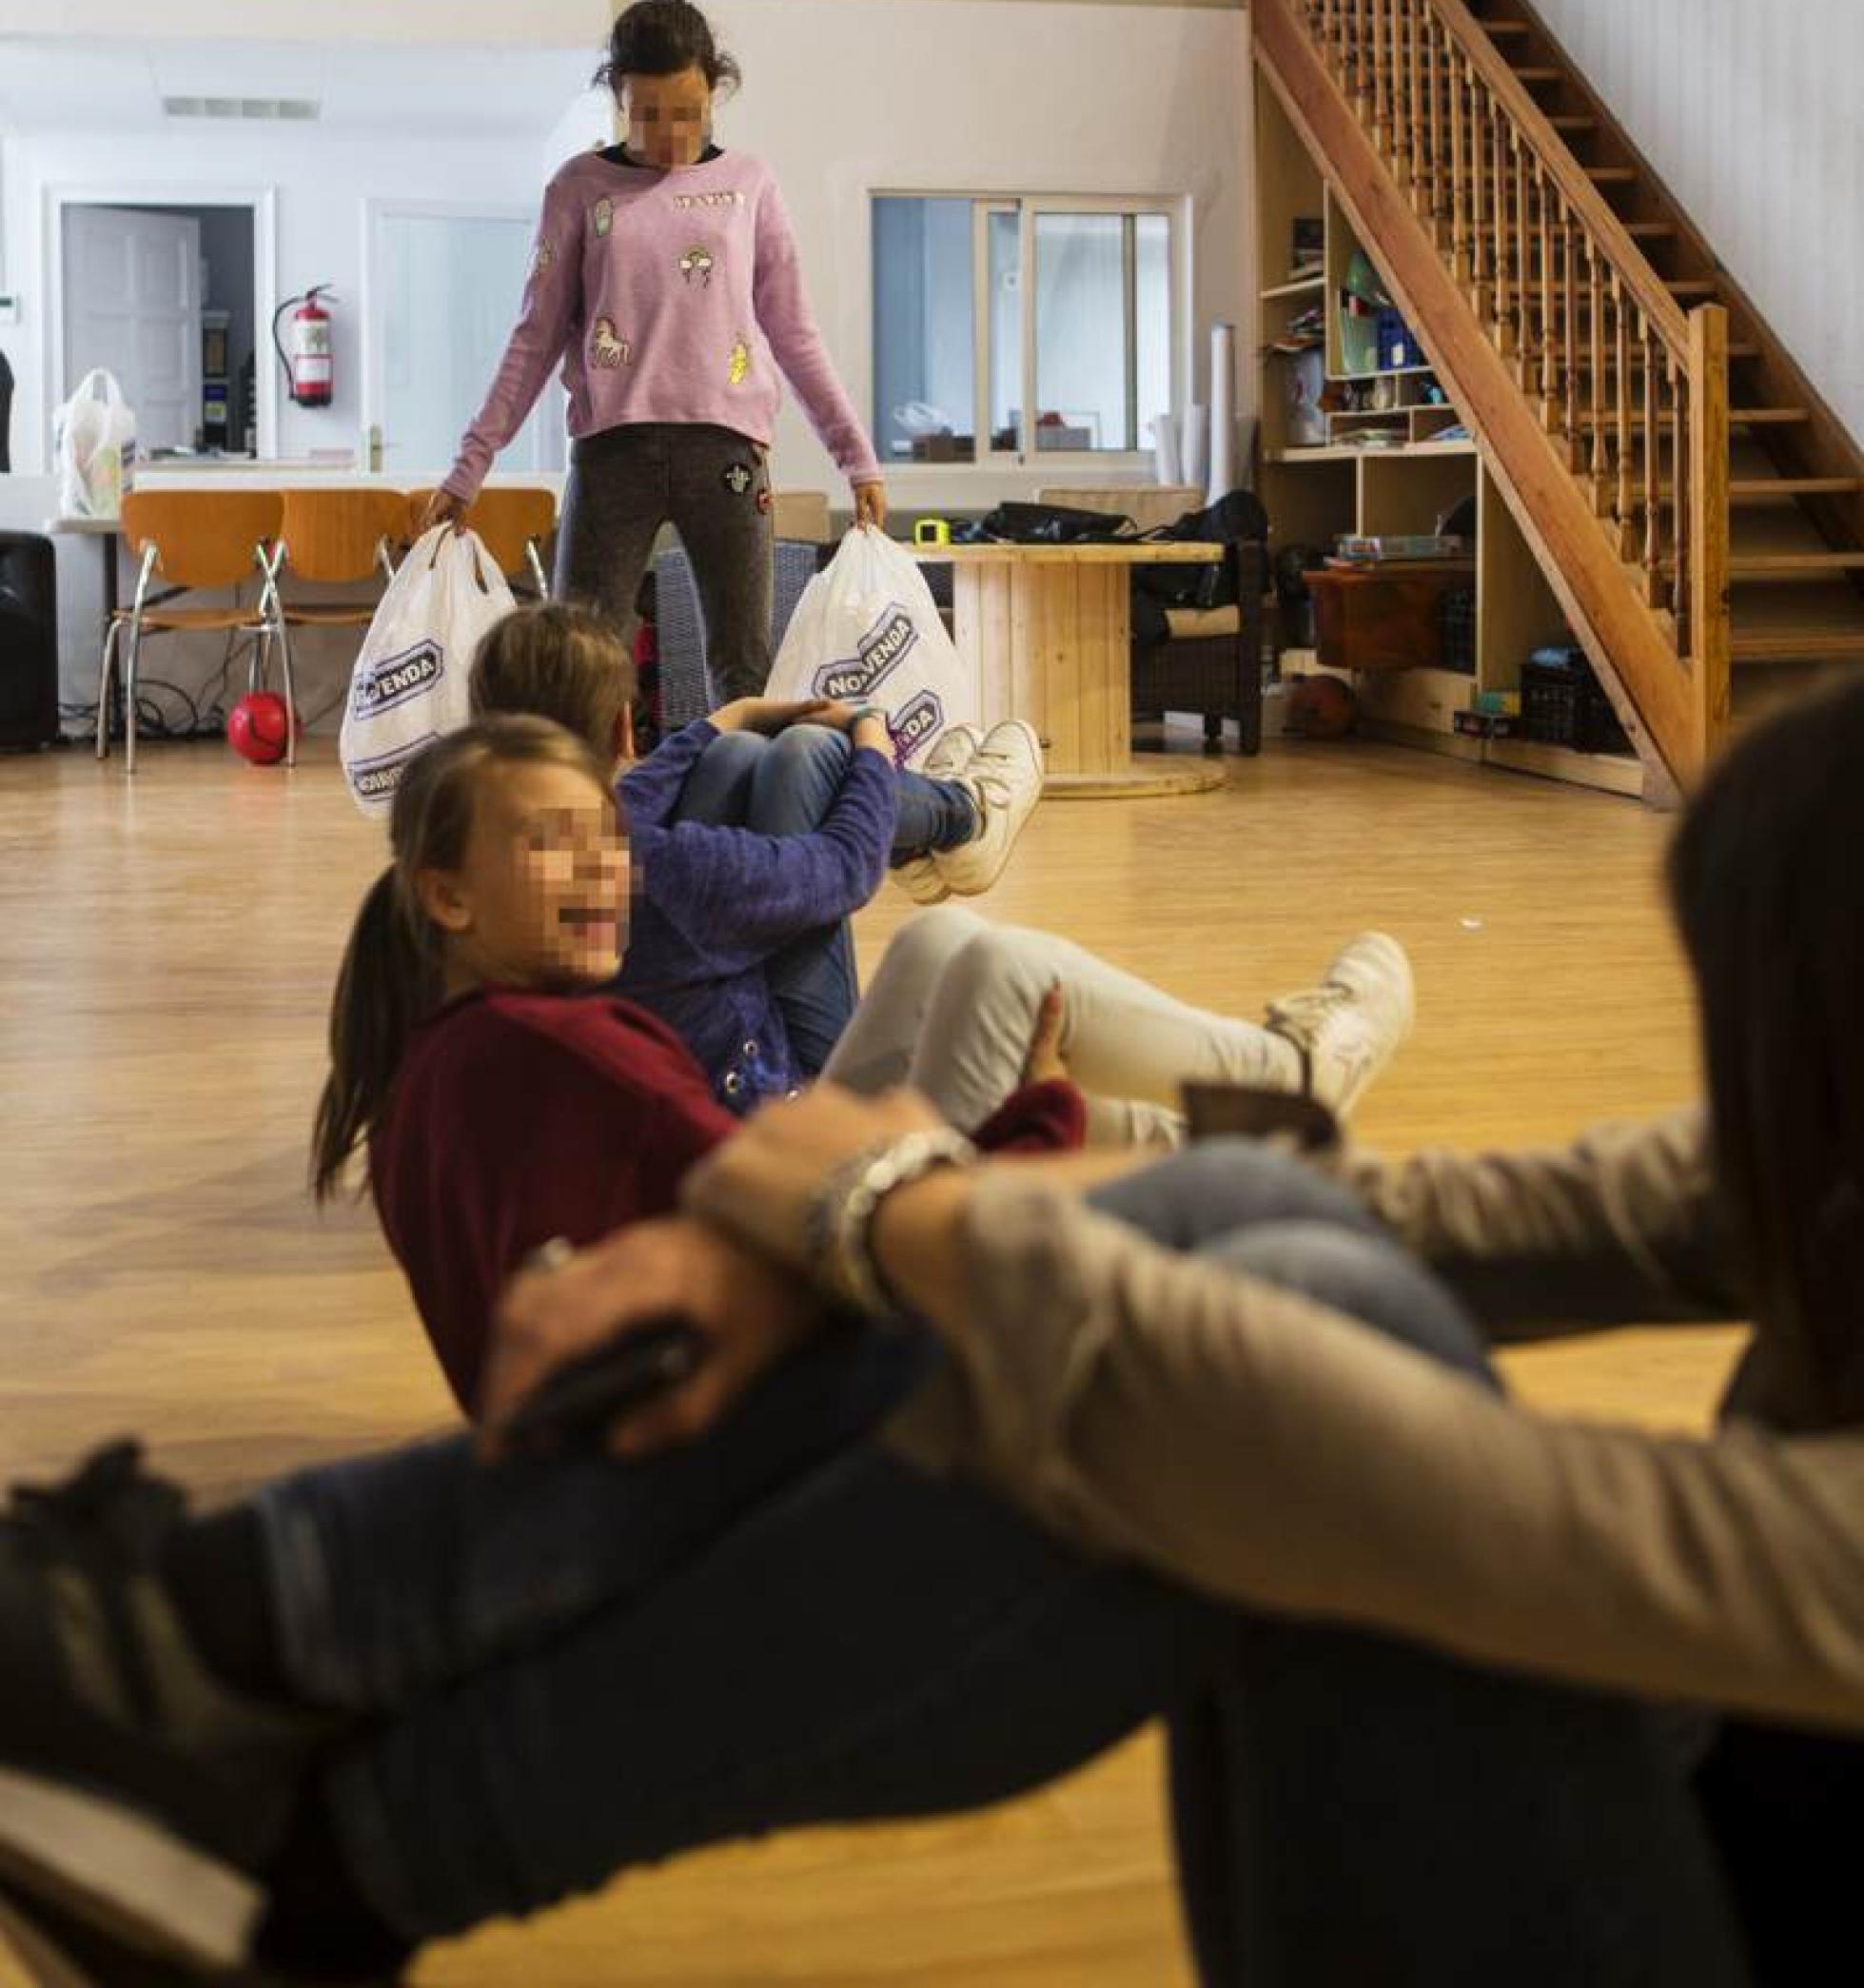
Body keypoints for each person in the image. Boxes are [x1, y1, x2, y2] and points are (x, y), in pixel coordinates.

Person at [4, 678, 1859, 1981]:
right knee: (1248, 1237)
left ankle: (286, 1727)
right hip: (1676, 1790)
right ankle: (288, 1741)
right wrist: (875, 1213)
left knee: (1246, 1344)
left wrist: (880, 1210)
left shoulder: (602, 953)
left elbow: (1493, 1507)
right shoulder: (585, 957)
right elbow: (1548, 1212)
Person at [308, 714, 1085, 1411]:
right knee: (996, 970)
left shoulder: (421, 1067)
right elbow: (828, 1241)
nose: (603, 870)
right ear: (446, 896)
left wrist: (725, 723)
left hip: (648, 1428)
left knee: (944, 945)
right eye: (550, 843)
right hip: (766, 1433)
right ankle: (964, 813)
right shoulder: (584, 1050)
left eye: (608, 839)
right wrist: (1040, 1120)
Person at [424, 0, 887, 701]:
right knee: (578, 669)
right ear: (616, 96)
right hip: (613, 456)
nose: (668, 133)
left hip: (727, 455)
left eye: (687, 110)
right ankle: (580, 806)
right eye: (646, 113)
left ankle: (734, 807)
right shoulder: (579, 187)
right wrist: (468, 468)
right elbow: (534, 337)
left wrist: (856, 458)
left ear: (713, 89)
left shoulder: (749, 184)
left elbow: (792, 331)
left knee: (743, 666)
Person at [466, 602, 1048, 1103]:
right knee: (811, 754)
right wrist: (873, 746)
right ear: (625, 729)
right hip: (780, 1093)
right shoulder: (662, 868)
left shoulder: (484, 849)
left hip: (649, 1067)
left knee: (737, 754)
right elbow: (845, 867)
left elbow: (629, 800)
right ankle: (961, 816)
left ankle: (941, 833)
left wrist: (730, 717)